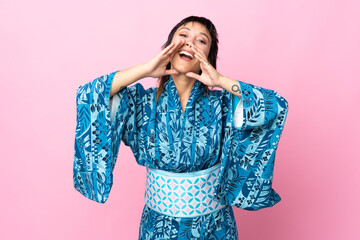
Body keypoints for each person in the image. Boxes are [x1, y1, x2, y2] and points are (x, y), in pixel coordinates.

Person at [73, 16, 289, 239]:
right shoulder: (141, 103)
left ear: (208, 57)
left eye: (201, 41)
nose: (190, 43)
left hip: (215, 227)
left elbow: (275, 105)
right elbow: (90, 95)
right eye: (183, 35)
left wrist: (220, 80)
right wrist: (145, 70)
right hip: (158, 228)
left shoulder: (223, 105)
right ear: (168, 48)